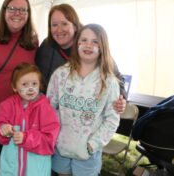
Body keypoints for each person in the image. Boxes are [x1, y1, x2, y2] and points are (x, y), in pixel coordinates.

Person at [46, 24, 121, 176]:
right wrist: (54, 136)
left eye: (95, 41)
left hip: (88, 152)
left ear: (103, 47)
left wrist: (93, 144)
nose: (88, 45)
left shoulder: (109, 82)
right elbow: (49, 108)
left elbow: (111, 119)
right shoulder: (60, 74)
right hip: (61, 147)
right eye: (84, 40)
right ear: (77, 43)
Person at [0, 0, 38, 176]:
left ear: (28, 14)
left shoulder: (32, 40)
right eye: (12, 8)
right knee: (0, 159)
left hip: (23, 115)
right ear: (4, 10)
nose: (17, 13)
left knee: (22, 159)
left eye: (23, 10)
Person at [35, 4, 126, 112]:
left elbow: (117, 78)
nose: (59, 30)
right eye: (54, 25)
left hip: (88, 115)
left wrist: (122, 98)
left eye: (64, 24)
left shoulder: (90, 48)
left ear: (75, 25)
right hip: (56, 114)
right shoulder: (47, 46)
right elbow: (39, 77)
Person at [0, 62, 60, 176]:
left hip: (37, 171)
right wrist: (3, 130)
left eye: (34, 83)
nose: (30, 88)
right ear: (14, 87)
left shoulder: (46, 109)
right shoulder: (6, 106)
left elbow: (49, 141)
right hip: (10, 170)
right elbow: (0, 135)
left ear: (40, 85)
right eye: (24, 84)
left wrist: (26, 137)